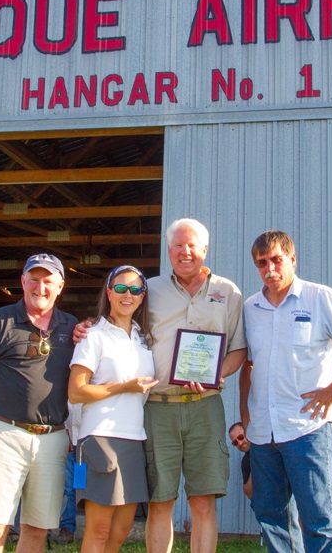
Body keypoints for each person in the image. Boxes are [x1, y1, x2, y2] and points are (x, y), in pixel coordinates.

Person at [73, 219, 247, 553]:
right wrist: (87, 327)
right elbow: (120, 320)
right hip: (158, 408)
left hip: (205, 406)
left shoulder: (228, 291)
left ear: (205, 249)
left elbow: (238, 348)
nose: (185, 252)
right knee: (160, 501)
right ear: (168, 251)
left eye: (192, 245)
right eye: (178, 246)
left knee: (202, 502)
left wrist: (218, 374)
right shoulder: (149, 289)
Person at [242, 230, 332, 552]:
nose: (270, 269)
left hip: (307, 427)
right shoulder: (251, 307)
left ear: (292, 259)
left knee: (318, 517)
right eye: (262, 263)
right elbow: (248, 365)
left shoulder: (319, 298)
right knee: (269, 516)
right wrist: (246, 416)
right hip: (263, 432)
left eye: (276, 260)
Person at [0, 253, 77, 553]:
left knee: (37, 529)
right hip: (4, 435)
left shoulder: (72, 327)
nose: (41, 287)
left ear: (60, 286)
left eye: (48, 281)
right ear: (22, 281)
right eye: (34, 279)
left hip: (52, 439)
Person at [68, 265, 158, 553]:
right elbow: (76, 391)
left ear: (142, 297)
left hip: (134, 439)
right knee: (100, 529)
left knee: (121, 530)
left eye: (135, 289)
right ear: (109, 293)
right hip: (99, 437)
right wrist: (123, 387)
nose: (127, 294)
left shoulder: (143, 339)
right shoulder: (93, 336)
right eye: (120, 288)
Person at [53, 402, 83, 545]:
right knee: (68, 485)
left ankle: (94, 527)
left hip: (88, 438)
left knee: (84, 485)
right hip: (66, 437)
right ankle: (67, 527)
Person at [228, 421, 252, 499]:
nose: (240, 443)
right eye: (235, 442)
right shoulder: (246, 461)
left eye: (241, 437)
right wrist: (256, 466)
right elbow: (248, 493)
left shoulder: (266, 447)